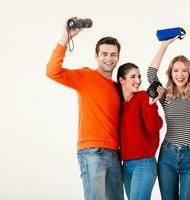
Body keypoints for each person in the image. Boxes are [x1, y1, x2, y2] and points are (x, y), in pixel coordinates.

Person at [46, 18, 124, 200]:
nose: (109, 58)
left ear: (118, 57)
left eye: (113, 54)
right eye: (104, 54)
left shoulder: (117, 87)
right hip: (92, 151)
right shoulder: (86, 76)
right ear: (96, 56)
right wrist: (66, 37)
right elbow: (52, 71)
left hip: (114, 152)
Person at [147, 38, 190, 200]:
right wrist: (164, 45)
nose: (180, 75)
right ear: (170, 73)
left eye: (184, 70)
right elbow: (151, 74)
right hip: (168, 154)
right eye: (176, 70)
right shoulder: (165, 94)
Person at [116, 63, 163, 200]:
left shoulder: (143, 97)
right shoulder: (119, 104)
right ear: (121, 80)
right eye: (133, 77)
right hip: (126, 164)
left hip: (144, 163)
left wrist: (152, 105)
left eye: (139, 77)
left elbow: (153, 127)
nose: (138, 81)